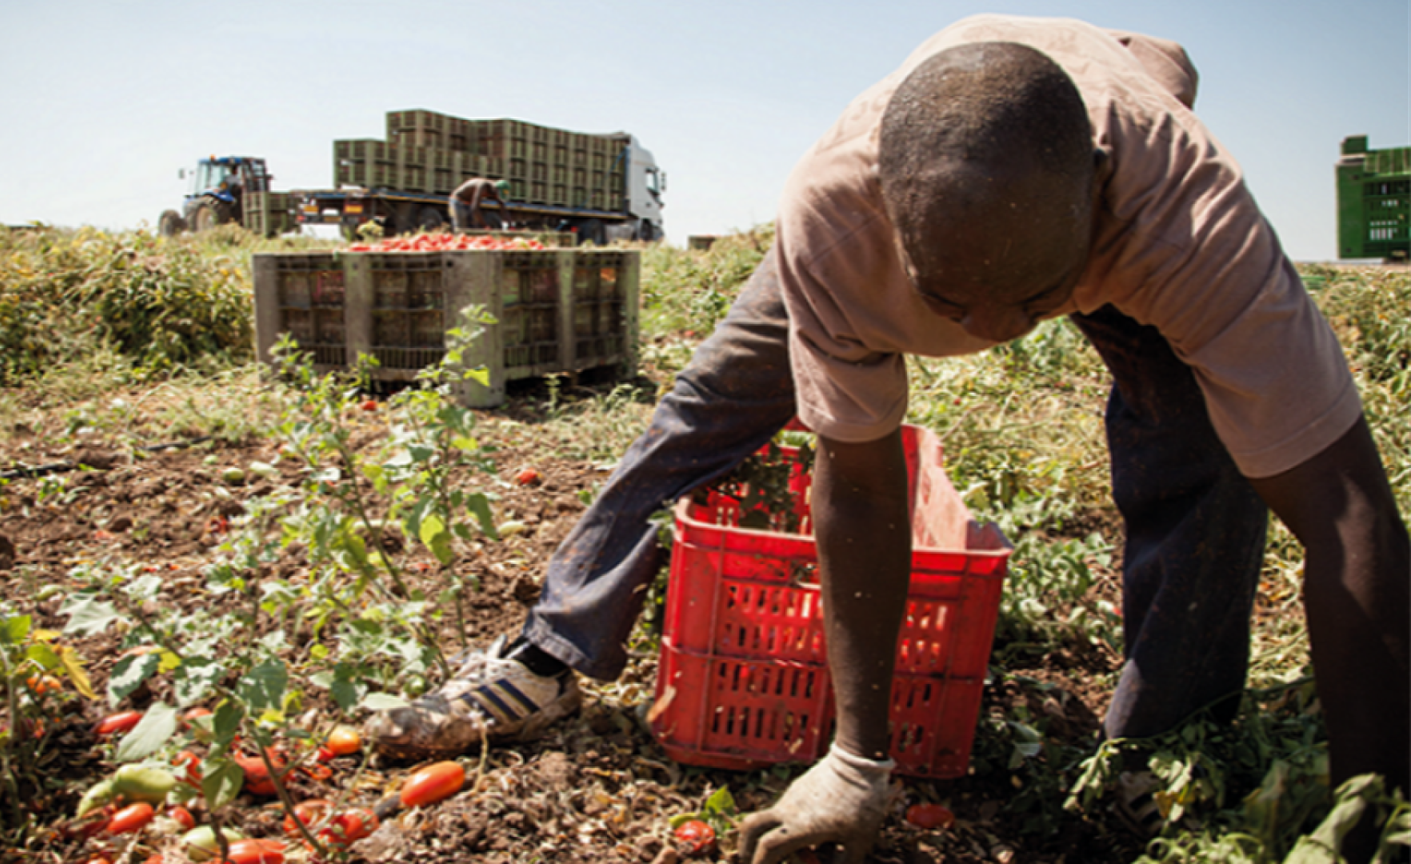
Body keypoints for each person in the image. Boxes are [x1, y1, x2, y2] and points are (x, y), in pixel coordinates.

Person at [369, 15, 1410, 863]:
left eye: (1034, 298)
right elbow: (861, 484)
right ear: (892, 216)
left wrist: (1373, 806)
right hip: (948, 198)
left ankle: (1160, 745)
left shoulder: (1187, 216)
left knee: (1204, 457)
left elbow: (1348, 512)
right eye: (952, 301)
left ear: (1097, 190)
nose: (997, 333)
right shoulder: (837, 212)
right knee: (711, 403)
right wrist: (857, 761)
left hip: (1119, 215)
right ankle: (552, 648)